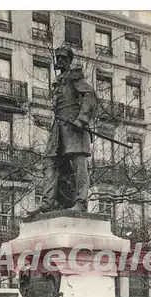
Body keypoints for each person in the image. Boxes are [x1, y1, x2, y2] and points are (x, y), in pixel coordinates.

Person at [28, 45, 96, 215]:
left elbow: (90, 96)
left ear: (69, 60)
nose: (59, 61)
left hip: (74, 129)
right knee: (49, 162)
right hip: (58, 129)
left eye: (63, 58)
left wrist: (82, 119)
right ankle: (47, 202)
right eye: (58, 57)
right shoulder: (58, 82)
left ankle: (81, 202)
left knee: (79, 166)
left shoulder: (74, 77)